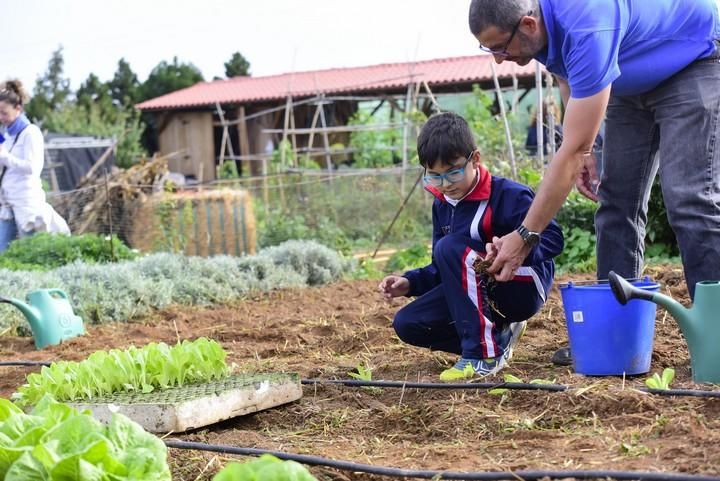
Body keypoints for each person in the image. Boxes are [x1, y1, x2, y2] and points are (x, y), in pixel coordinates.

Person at [469, 0, 720, 364]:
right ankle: (612, 333)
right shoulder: (535, 33)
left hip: (691, 59)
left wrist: (525, 236)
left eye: (499, 48)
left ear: (527, 25)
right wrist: (588, 149)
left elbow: (568, 153)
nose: (498, 59)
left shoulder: (587, 23)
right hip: (628, 77)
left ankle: (714, 334)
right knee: (616, 201)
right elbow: (565, 71)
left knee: (689, 200)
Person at [378, 112, 563, 380]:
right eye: (434, 176)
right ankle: (498, 340)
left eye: (452, 172)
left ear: (475, 159)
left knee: (450, 247)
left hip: (521, 286)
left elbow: (555, 238)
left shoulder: (509, 195)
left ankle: (481, 356)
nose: (445, 185)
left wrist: (517, 247)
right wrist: (409, 283)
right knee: (408, 323)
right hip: (476, 291)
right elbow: (445, 267)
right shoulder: (442, 204)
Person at [0, 80, 70, 252]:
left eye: (4, 113)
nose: (1, 118)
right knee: (2, 249)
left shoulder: (30, 133)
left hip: (26, 202)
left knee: (30, 250)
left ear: (18, 108)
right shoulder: (6, 134)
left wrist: (6, 157)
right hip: (7, 202)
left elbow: (33, 168)